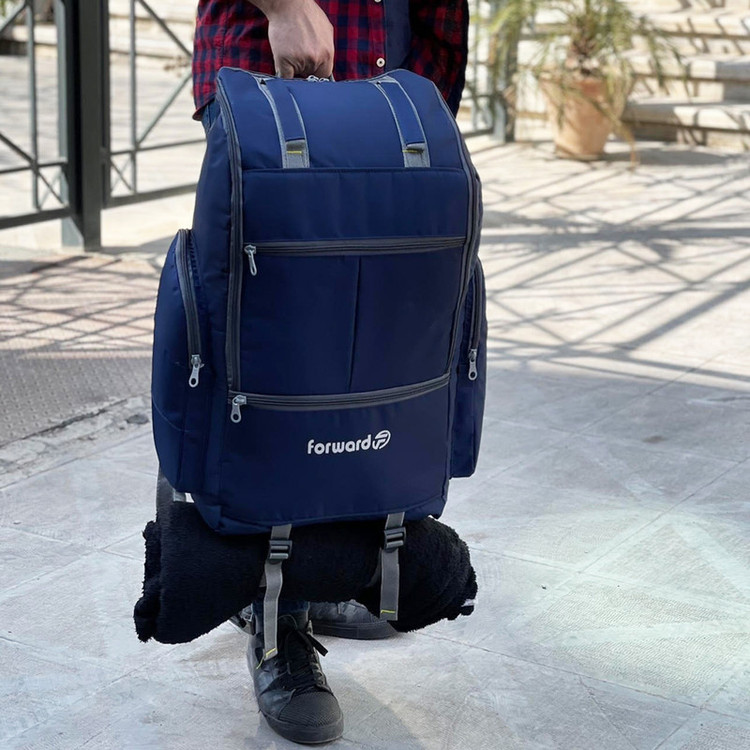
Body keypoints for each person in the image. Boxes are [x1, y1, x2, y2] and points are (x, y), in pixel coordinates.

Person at [192, 0, 468, 743]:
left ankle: (324, 574)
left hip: (397, 81)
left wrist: (421, 80)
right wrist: (284, 5)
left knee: (372, 357)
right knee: (282, 360)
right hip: (276, 68)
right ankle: (275, 615)